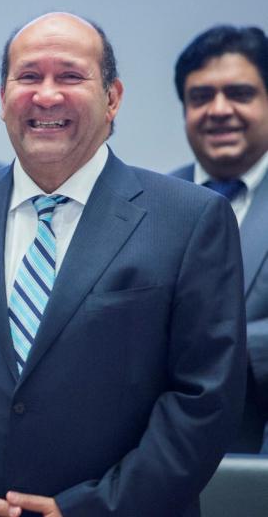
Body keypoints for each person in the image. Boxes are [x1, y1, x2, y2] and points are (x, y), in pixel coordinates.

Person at [0, 12, 246, 516]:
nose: (47, 95)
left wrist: (89, 509)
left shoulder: (189, 218)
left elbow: (204, 399)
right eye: (28, 76)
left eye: (71, 76)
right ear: (2, 98)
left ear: (113, 97)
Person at [170, 24, 268, 453]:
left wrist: (222, 349)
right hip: (157, 461)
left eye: (240, 94)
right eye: (201, 97)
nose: (219, 110)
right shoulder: (145, 203)